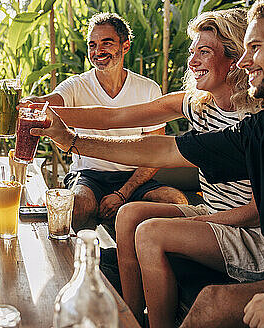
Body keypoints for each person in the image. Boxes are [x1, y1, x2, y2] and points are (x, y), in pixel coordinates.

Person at [32, 0, 264, 328]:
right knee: (130, 217)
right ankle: (132, 314)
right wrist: (57, 127)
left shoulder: (260, 116)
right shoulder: (259, 126)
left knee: (151, 232)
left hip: (247, 228)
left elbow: (257, 209)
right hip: (212, 212)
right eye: (192, 51)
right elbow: (139, 133)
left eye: (253, 49)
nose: (246, 61)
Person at [23, 12, 186, 229]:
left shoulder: (148, 89)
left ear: (125, 46)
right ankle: (82, 260)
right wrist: (31, 102)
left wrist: (123, 193)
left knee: (176, 202)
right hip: (89, 175)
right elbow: (49, 102)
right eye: (92, 44)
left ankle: (136, 260)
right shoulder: (75, 85)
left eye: (106, 43)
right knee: (80, 203)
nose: (98, 51)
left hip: (133, 178)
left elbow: (154, 155)